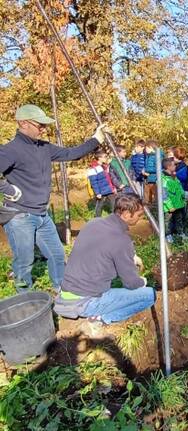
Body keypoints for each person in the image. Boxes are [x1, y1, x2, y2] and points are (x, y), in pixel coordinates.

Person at [0, 104, 105, 293]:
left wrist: (95, 140)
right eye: (39, 125)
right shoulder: (10, 150)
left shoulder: (44, 147)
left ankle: (63, 290)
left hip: (42, 214)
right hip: (19, 216)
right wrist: (7, 188)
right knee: (24, 263)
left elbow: (70, 153)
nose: (43, 129)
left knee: (57, 255)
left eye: (44, 125)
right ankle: (25, 298)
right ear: (23, 123)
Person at [54, 193, 155, 333]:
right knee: (149, 295)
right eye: (139, 215)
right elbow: (131, 284)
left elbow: (103, 250)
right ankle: (101, 318)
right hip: (85, 302)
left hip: (66, 293)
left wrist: (130, 256)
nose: (140, 218)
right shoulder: (121, 240)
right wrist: (142, 281)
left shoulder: (93, 223)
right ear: (126, 214)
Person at [161, 158, 187, 243]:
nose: (175, 166)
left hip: (178, 204)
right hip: (170, 206)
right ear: (168, 167)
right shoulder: (163, 179)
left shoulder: (174, 176)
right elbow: (164, 195)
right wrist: (169, 206)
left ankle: (180, 233)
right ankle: (168, 235)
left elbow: (179, 187)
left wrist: (183, 196)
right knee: (168, 221)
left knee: (179, 219)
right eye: (174, 165)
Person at [88, 151, 117, 217]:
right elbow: (94, 182)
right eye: (105, 157)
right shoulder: (93, 169)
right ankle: (97, 220)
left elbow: (109, 178)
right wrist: (97, 193)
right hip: (101, 191)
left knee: (114, 204)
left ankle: (115, 218)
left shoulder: (104, 166)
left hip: (109, 190)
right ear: (99, 158)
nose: (106, 158)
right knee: (99, 206)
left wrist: (113, 188)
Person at [143, 140, 163, 205]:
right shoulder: (148, 156)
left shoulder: (157, 156)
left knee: (155, 196)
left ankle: (155, 210)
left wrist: (147, 171)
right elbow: (147, 166)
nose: (145, 150)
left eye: (146, 148)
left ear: (151, 147)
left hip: (154, 179)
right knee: (147, 196)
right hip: (148, 179)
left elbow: (159, 168)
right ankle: (148, 210)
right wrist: (144, 170)